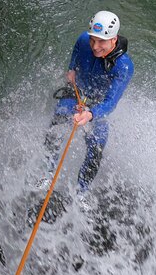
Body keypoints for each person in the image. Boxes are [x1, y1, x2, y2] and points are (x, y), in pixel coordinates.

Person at [44, 10, 134, 194]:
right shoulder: (84, 39)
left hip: (97, 105)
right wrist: (71, 70)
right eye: (93, 39)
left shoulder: (123, 66)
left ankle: (82, 190)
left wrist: (90, 114)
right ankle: (47, 174)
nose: (95, 46)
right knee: (56, 124)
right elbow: (77, 51)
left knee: (97, 147)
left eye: (101, 42)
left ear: (113, 40)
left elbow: (111, 102)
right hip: (76, 92)